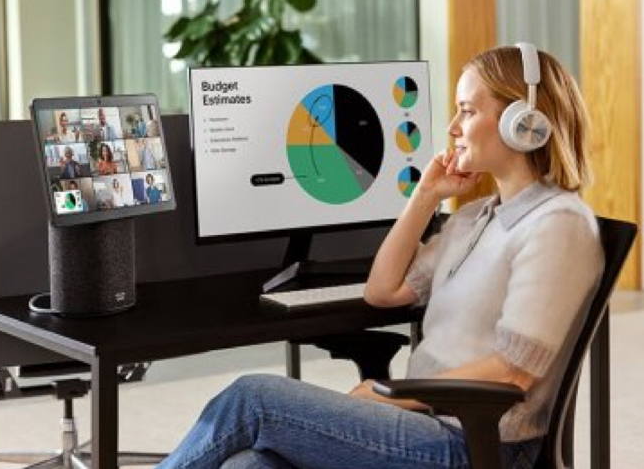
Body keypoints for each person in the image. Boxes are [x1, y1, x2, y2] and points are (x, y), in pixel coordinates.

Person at [155, 44, 604, 469]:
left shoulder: (558, 225)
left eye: (467, 111)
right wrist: (424, 197)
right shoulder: (475, 218)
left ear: (522, 121)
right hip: (423, 423)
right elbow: (383, 291)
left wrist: (388, 396)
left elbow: (513, 374)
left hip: (473, 443)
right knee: (248, 464)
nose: (452, 127)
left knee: (251, 399)